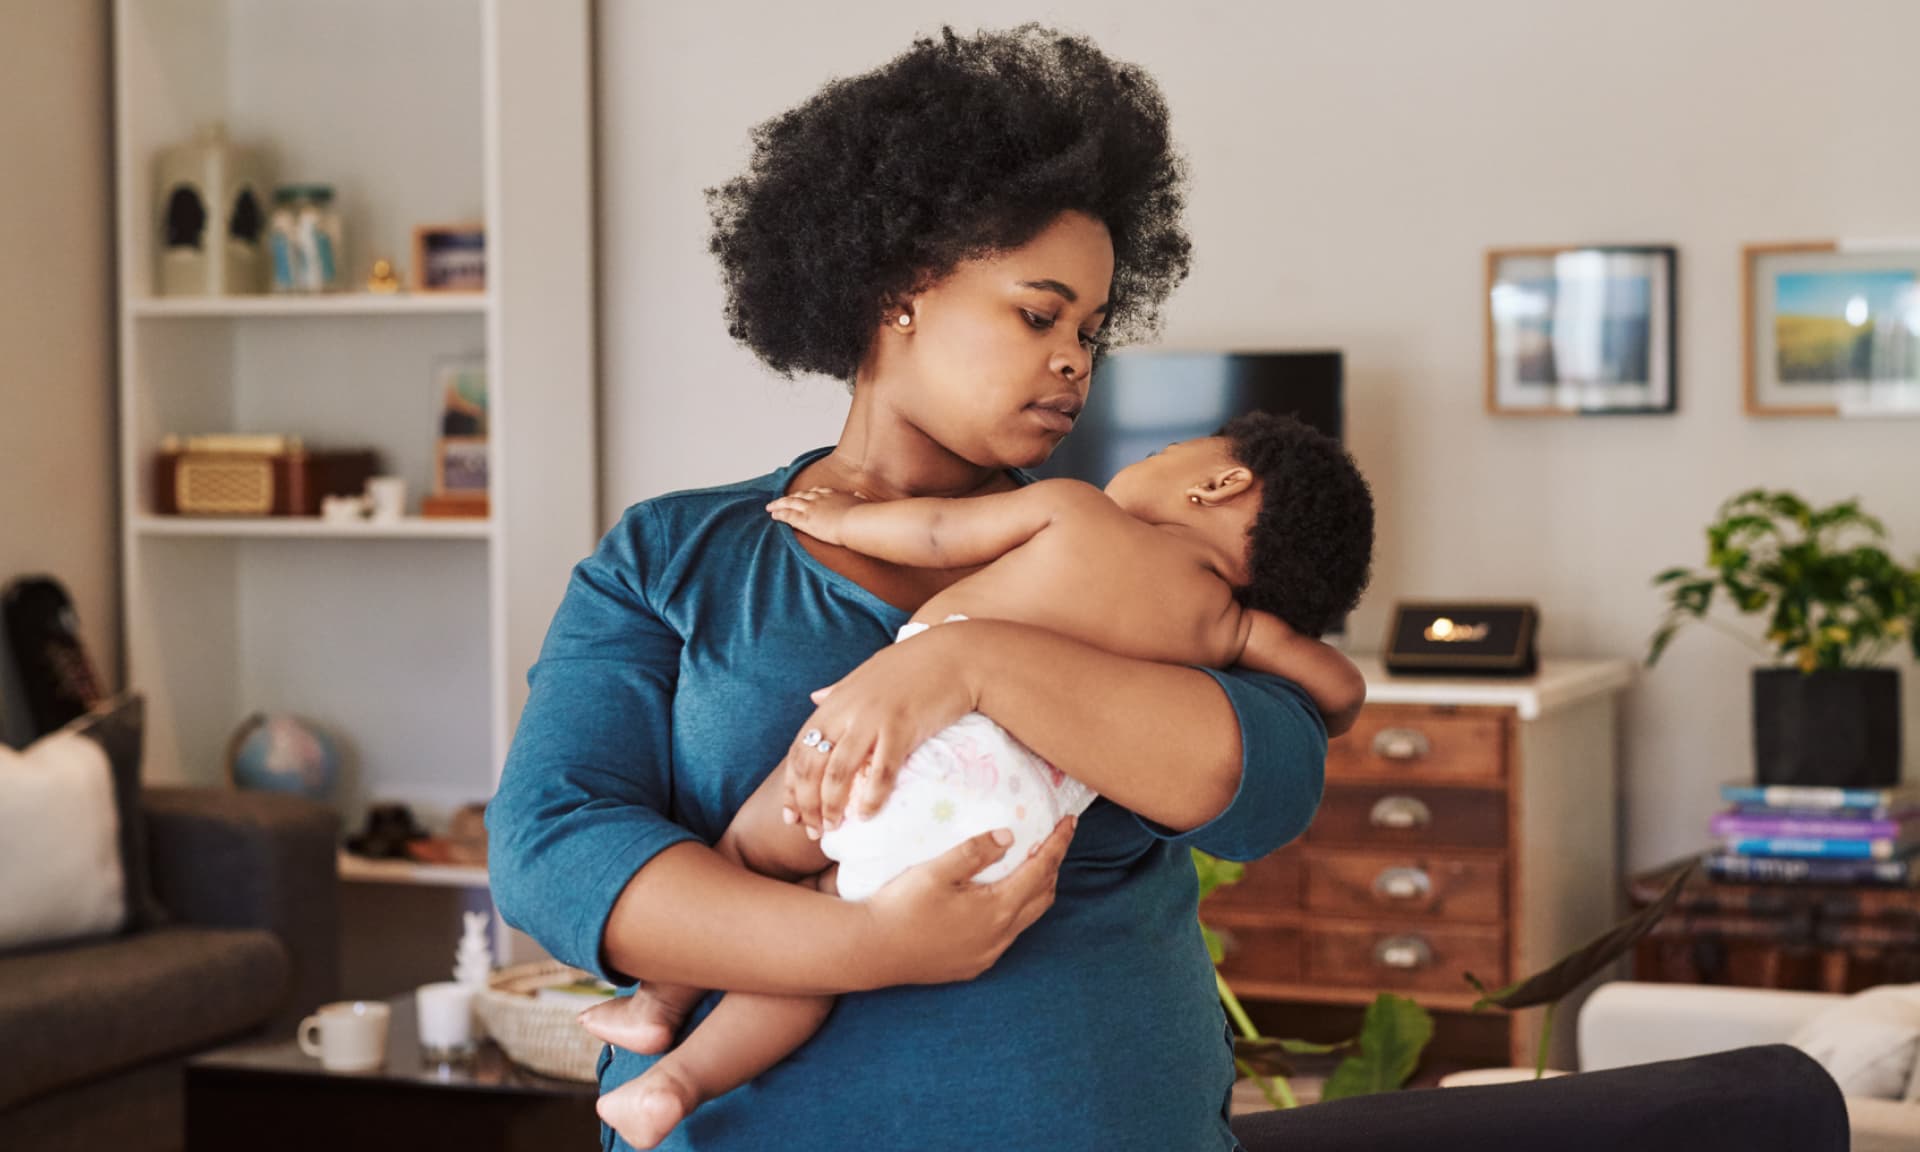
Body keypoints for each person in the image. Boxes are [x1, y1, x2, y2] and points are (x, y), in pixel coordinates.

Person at [486, 25, 1332, 1151]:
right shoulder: (674, 553)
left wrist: (970, 664)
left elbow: (1269, 777)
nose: (1077, 358)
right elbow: (552, 846)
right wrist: (872, 948)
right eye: (1038, 314)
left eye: (1091, 329)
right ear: (900, 291)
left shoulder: (1117, 556)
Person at [584, 412, 1374, 1145]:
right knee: (834, 914)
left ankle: (661, 1008)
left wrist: (840, 520)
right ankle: (679, 1083)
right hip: (1013, 818)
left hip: (912, 743)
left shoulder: (1075, 510)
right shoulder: (1223, 626)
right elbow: (1340, 691)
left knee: (766, 878)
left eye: (1166, 454)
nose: (1148, 459)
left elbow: (932, 532)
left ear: (1221, 484)